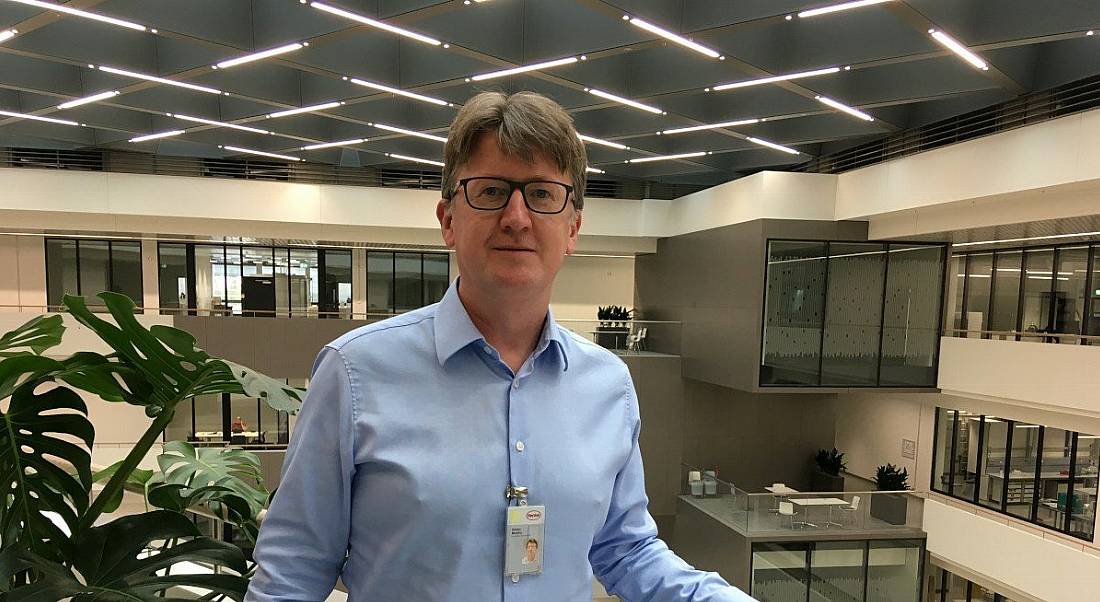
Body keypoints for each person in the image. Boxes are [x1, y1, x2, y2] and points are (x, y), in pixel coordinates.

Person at [246, 91, 755, 601]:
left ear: (573, 226)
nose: (516, 217)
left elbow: (625, 550)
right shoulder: (355, 373)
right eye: (490, 192)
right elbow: (292, 573)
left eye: (542, 194)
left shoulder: (609, 385)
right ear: (448, 220)